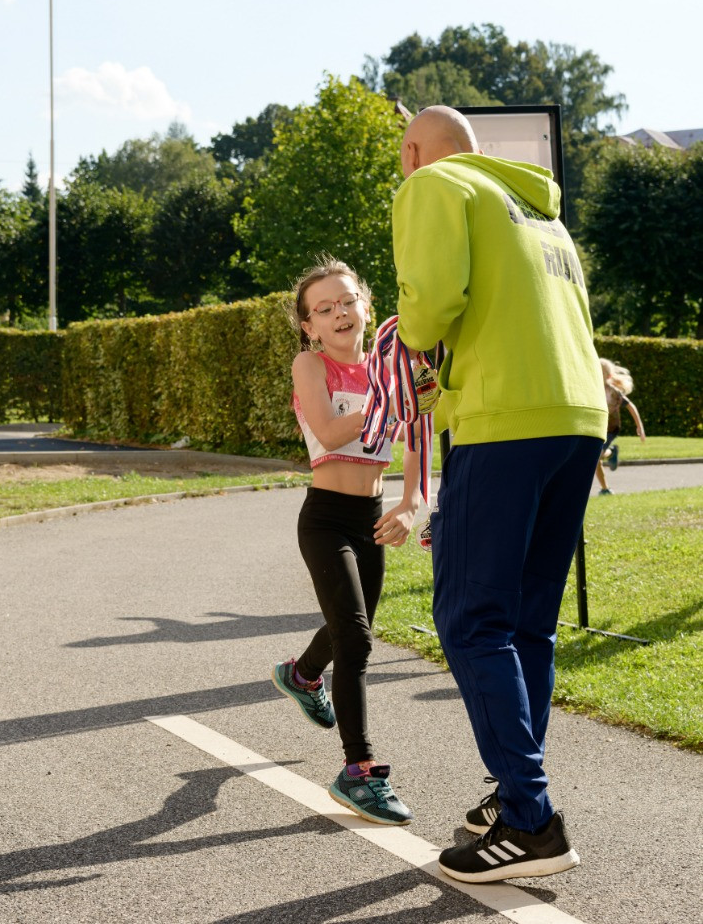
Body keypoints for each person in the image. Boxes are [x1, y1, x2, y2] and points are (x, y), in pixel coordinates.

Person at [393, 106, 608, 882]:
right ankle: (514, 795)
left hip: (502, 419)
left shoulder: (434, 184)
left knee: (470, 619)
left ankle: (530, 818)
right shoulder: (542, 213)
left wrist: (421, 353)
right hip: (577, 416)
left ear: (417, 150)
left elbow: (425, 313)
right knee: (527, 624)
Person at [272, 255, 420, 825]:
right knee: (356, 640)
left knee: (352, 626)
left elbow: (415, 437)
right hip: (326, 517)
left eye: (347, 301)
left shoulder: (393, 364)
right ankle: (358, 772)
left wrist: (411, 504)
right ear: (308, 325)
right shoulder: (310, 367)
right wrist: (388, 395)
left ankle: (302, 675)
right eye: (323, 308)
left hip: (374, 514)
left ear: (366, 305)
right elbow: (332, 431)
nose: (338, 313)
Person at [595, 358, 646, 494]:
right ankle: (605, 489)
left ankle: (611, 452)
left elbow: (630, 406)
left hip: (611, 429)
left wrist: (639, 426)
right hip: (598, 427)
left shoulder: (613, 392)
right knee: (595, 458)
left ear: (608, 376)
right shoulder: (593, 390)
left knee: (596, 455)